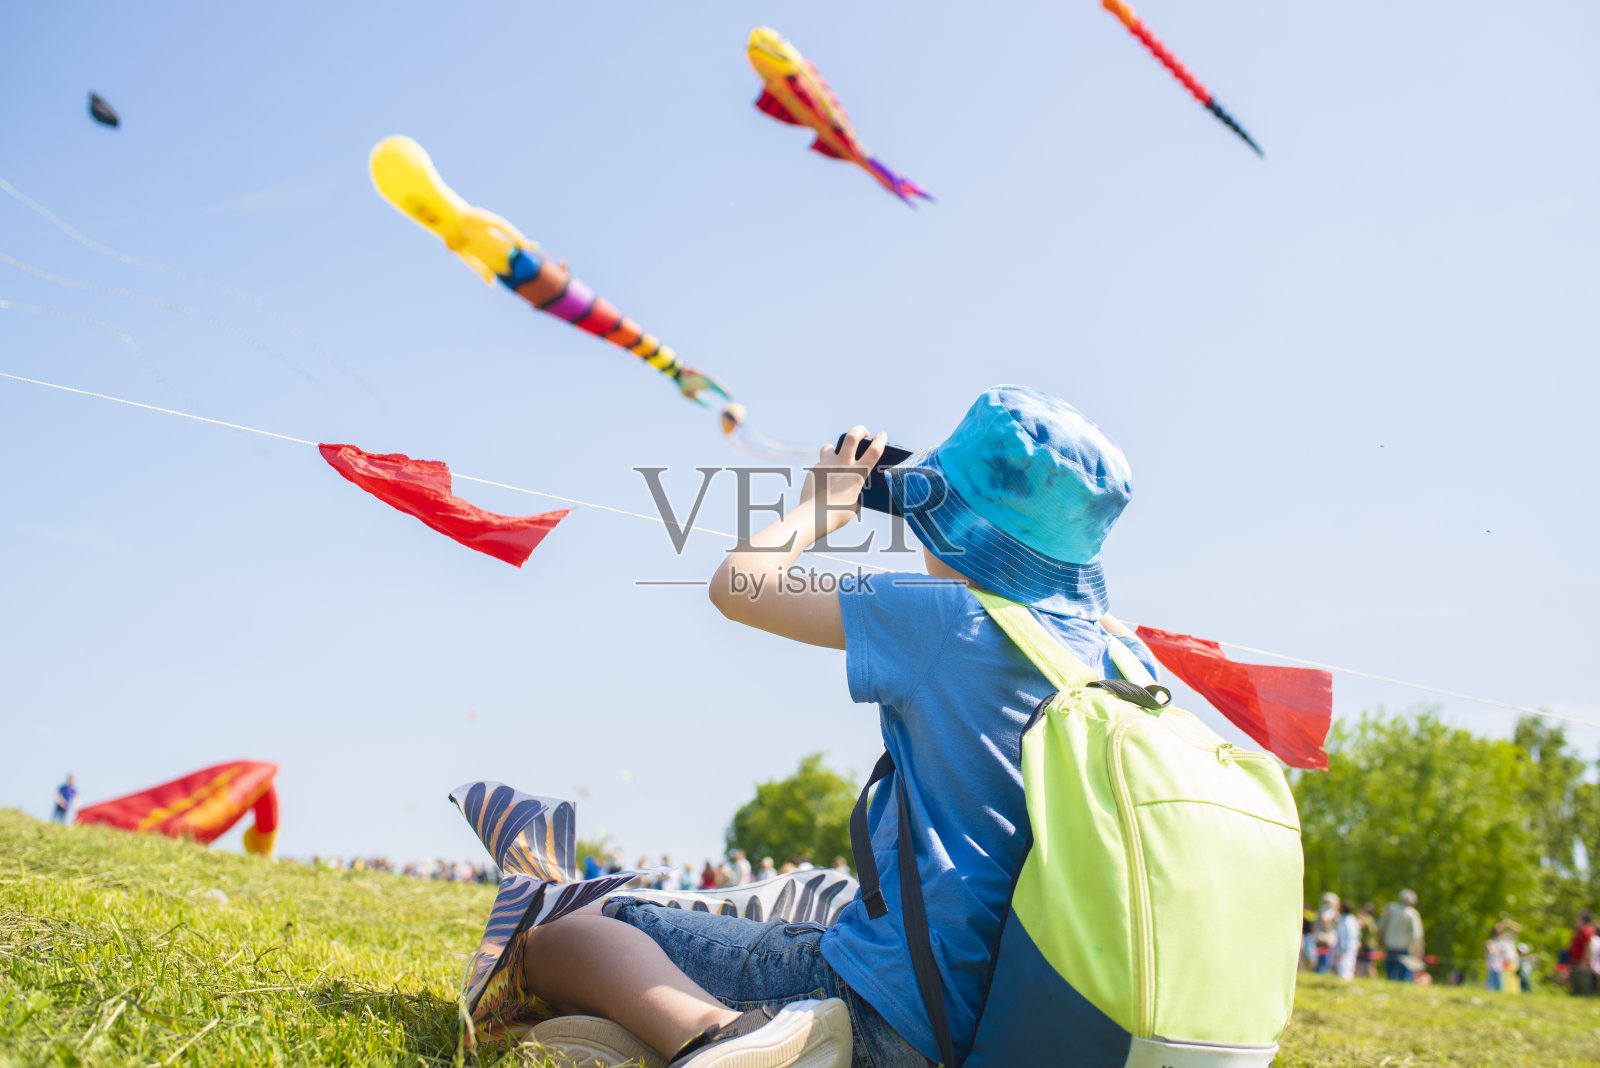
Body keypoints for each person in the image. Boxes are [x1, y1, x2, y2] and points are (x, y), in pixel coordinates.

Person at [517, 390, 1160, 1068]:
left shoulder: (951, 619)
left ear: (955, 524)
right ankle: (716, 1037)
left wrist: (823, 507)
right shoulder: (1125, 661)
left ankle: (722, 1041)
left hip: (891, 1012)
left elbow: (740, 584)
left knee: (568, 936)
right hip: (1012, 1028)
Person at [1378, 890, 1425, 982]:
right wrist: (1418, 946)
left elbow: (1382, 925)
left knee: (1390, 971)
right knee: (1404, 972)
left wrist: (1380, 937)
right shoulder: (1412, 913)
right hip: (1404, 946)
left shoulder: (1391, 909)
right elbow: (1417, 933)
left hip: (1391, 944)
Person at [1568, 910, 1597, 996]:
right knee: (1576, 987)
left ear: (1582, 919)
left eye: (1577, 918)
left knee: (1582, 989)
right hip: (1577, 962)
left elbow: (1588, 947)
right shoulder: (1582, 930)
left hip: (1581, 963)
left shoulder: (1585, 930)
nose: (1576, 920)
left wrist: (1584, 962)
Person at [1312, 892, 1340, 974]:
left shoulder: (1321, 909)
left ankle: (1321, 969)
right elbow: (1325, 919)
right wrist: (1326, 928)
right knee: (1325, 955)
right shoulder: (1328, 910)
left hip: (1321, 936)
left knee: (1322, 955)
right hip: (1326, 936)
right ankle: (1323, 970)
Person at [1334, 901, 1360, 980]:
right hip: (1353, 945)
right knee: (1350, 963)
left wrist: (1341, 947)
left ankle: (1344, 978)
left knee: (1344, 964)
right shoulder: (1353, 919)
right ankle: (1348, 978)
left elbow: (1342, 935)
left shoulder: (1343, 920)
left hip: (1345, 945)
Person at [1357, 902, 1380, 979]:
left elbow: (1358, 926)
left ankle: (1360, 978)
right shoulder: (1372, 920)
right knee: (1371, 965)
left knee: (1361, 964)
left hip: (1366, 945)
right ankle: (1374, 980)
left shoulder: (1366, 919)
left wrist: (1359, 916)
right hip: (1373, 945)